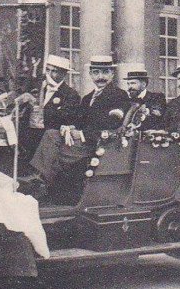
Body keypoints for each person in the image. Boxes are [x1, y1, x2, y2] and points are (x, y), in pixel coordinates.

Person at [23, 55, 130, 197]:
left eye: (105, 72)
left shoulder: (118, 95)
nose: (100, 77)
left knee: (53, 144)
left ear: (112, 73)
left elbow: (112, 123)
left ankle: (41, 180)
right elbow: (79, 120)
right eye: (96, 72)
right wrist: (69, 127)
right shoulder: (87, 98)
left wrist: (81, 134)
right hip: (84, 141)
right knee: (51, 134)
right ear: (91, 74)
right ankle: (41, 179)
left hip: (99, 143)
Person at [16, 54, 81, 156]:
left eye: (54, 71)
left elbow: (65, 117)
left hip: (51, 141)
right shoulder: (39, 89)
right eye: (47, 70)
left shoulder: (71, 94)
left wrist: (41, 111)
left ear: (63, 74)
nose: (49, 74)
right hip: (30, 137)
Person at [123, 64, 167, 131]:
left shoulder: (156, 98)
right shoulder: (127, 101)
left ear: (143, 84)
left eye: (133, 83)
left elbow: (157, 119)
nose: (129, 87)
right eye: (128, 84)